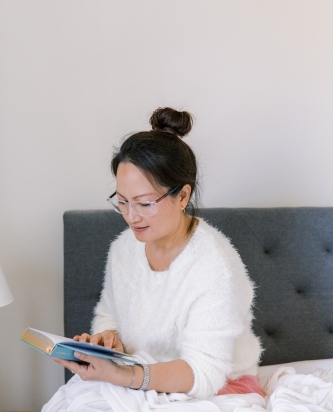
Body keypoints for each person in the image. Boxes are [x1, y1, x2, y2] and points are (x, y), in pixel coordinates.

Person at [42, 107, 264, 411]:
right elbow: (109, 315)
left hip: (216, 389)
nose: (131, 217)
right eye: (122, 202)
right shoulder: (123, 249)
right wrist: (108, 340)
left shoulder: (215, 267)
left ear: (183, 196)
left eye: (145, 204)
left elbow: (204, 373)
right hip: (141, 375)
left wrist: (123, 375)